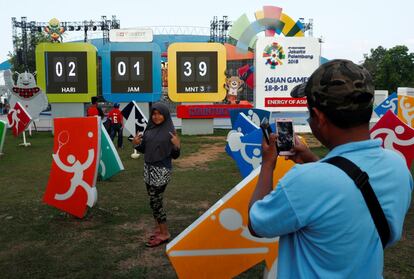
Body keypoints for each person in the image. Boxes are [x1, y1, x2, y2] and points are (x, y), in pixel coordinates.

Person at [248, 59, 413, 278]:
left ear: (319, 117)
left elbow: (256, 223)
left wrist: (268, 164)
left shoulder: (305, 181)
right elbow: (347, 193)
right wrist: (312, 159)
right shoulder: (398, 166)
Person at [132, 103, 181, 247]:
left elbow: (175, 155)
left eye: (160, 114)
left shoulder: (170, 132)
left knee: (155, 202)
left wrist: (177, 146)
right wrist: (136, 144)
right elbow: (145, 149)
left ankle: (165, 233)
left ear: (165, 115)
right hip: (148, 169)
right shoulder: (149, 130)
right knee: (153, 201)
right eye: (154, 114)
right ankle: (158, 228)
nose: (156, 116)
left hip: (161, 170)